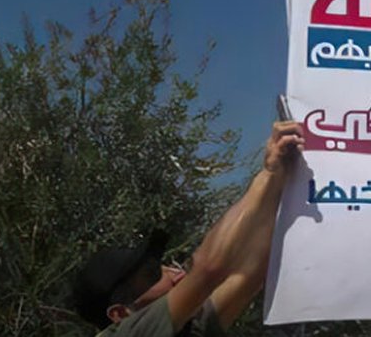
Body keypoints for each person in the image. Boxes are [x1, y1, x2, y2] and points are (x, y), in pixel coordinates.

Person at [73, 120, 305, 335]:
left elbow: (252, 272)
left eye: (167, 266)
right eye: (153, 275)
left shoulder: (189, 329)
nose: (177, 275)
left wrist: (279, 176)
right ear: (121, 314)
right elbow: (210, 268)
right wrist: (268, 173)